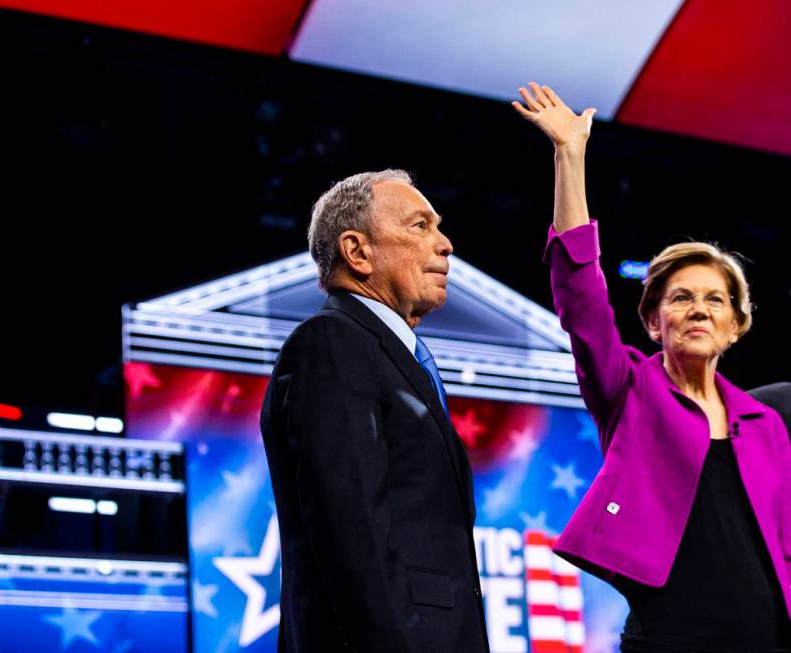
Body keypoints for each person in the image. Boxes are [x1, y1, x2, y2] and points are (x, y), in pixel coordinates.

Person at [513, 82, 791, 651]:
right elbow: (581, 299)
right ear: (652, 321)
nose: (698, 310)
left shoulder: (768, 424)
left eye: (715, 300)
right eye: (681, 297)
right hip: (669, 638)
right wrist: (571, 156)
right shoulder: (631, 390)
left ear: (736, 326)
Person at [260, 170, 489, 653]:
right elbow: (352, 536)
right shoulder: (330, 344)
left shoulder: (390, 356)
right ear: (357, 251)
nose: (445, 244)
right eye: (420, 226)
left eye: (438, 226)